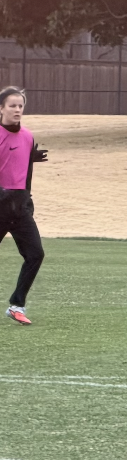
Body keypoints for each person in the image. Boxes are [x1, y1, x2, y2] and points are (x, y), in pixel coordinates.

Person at [0, 86, 47, 325]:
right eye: (12, 105)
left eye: (20, 106)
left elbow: (25, 174)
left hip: (19, 208)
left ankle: (17, 305)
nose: (17, 109)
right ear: (1, 108)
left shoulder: (28, 137)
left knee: (35, 254)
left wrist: (27, 198)